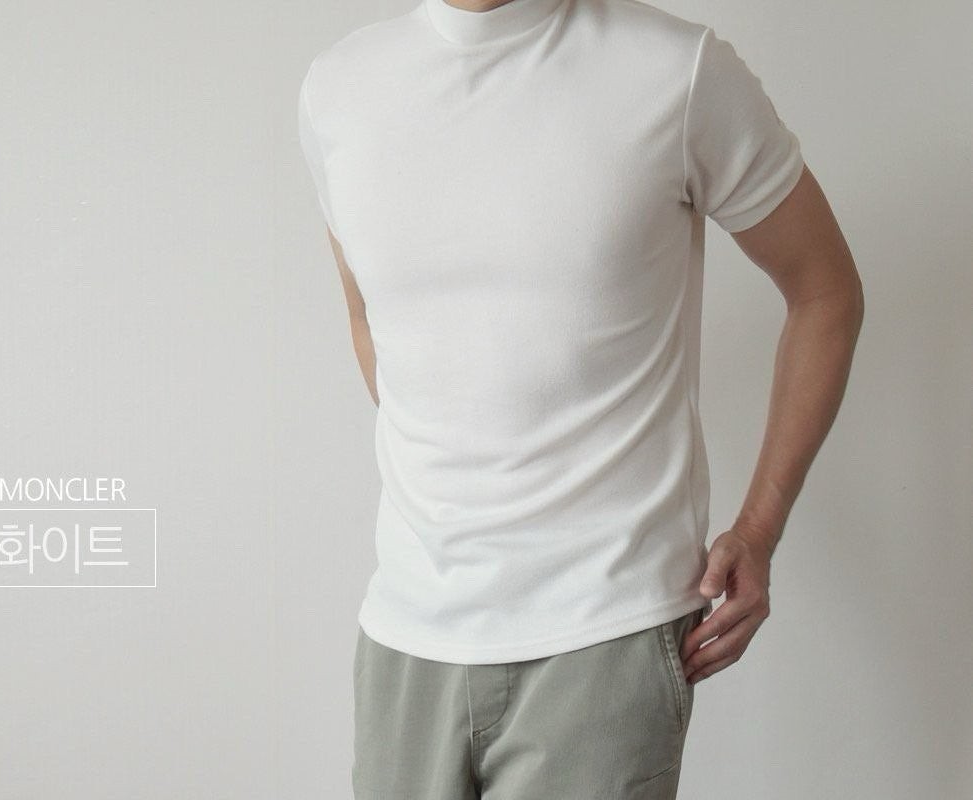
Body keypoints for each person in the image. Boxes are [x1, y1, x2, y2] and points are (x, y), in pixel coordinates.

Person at [296, 0, 863, 796]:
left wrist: (759, 528)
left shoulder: (677, 70)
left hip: (605, 631)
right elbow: (370, 317)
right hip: (407, 633)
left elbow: (824, 291)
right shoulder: (338, 89)